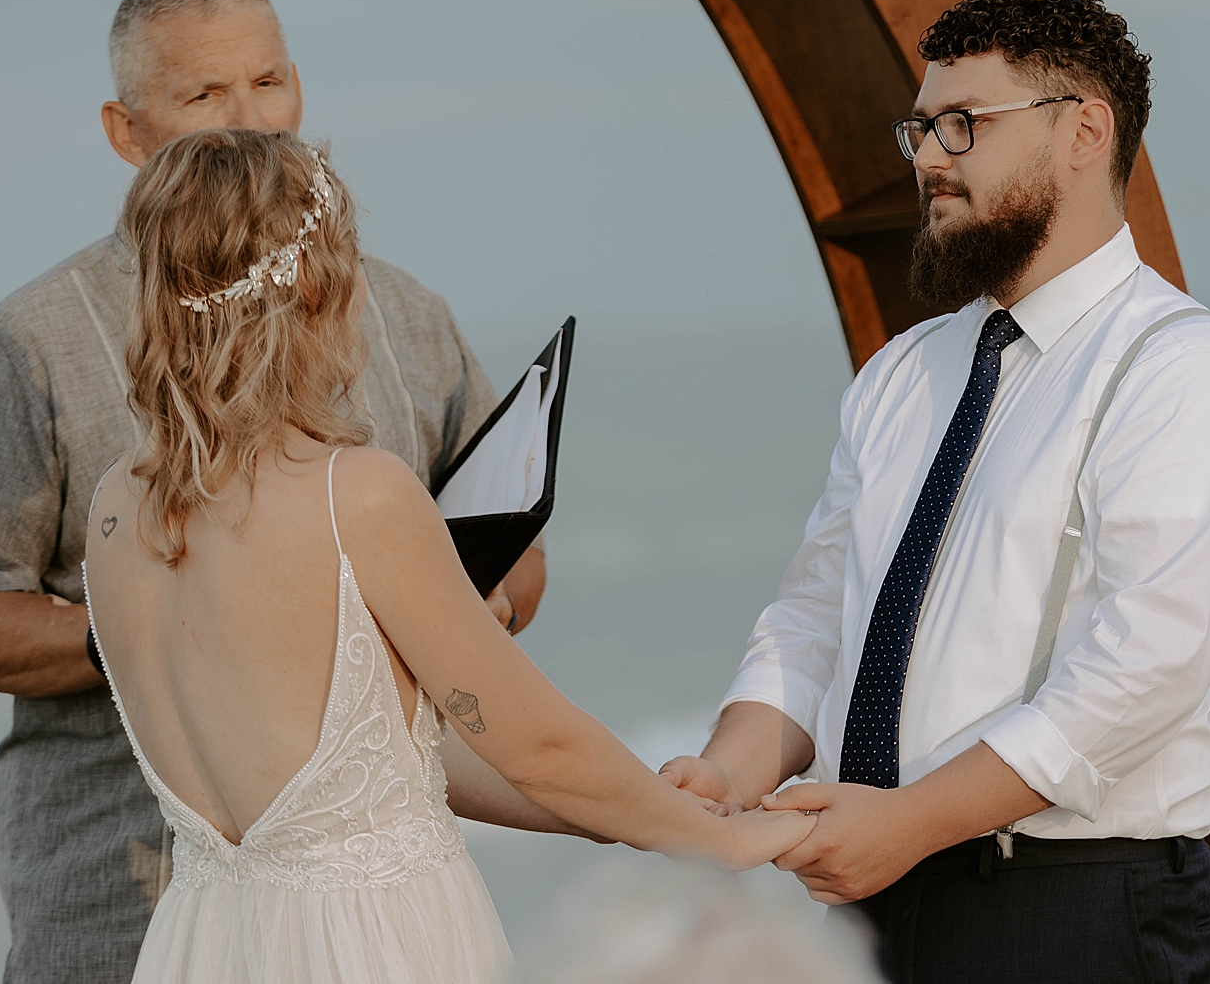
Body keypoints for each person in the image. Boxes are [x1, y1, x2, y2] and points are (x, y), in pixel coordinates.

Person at [0, 0, 546, 984]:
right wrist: (198, 624)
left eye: (267, 82)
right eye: (204, 94)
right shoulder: (26, 342)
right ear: (125, 131)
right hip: (122, 895)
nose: (250, 119)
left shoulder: (405, 312)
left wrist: (475, 610)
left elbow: (512, 557)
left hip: (365, 905)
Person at [662, 0, 1210, 982]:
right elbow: (816, 617)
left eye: (962, 126)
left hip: (1076, 913)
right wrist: (726, 773)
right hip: (876, 898)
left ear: (1082, 131)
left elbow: (1141, 671)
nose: (925, 159)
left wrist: (909, 822)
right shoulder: (902, 372)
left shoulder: (1184, 370)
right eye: (918, 129)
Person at [82, 128, 812, 982]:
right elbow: (538, 743)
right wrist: (722, 840)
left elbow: (398, 755)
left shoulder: (115, 511)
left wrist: (628, 806)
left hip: (205, 942)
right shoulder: (356, 492)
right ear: (317, 282)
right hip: (373, 944)